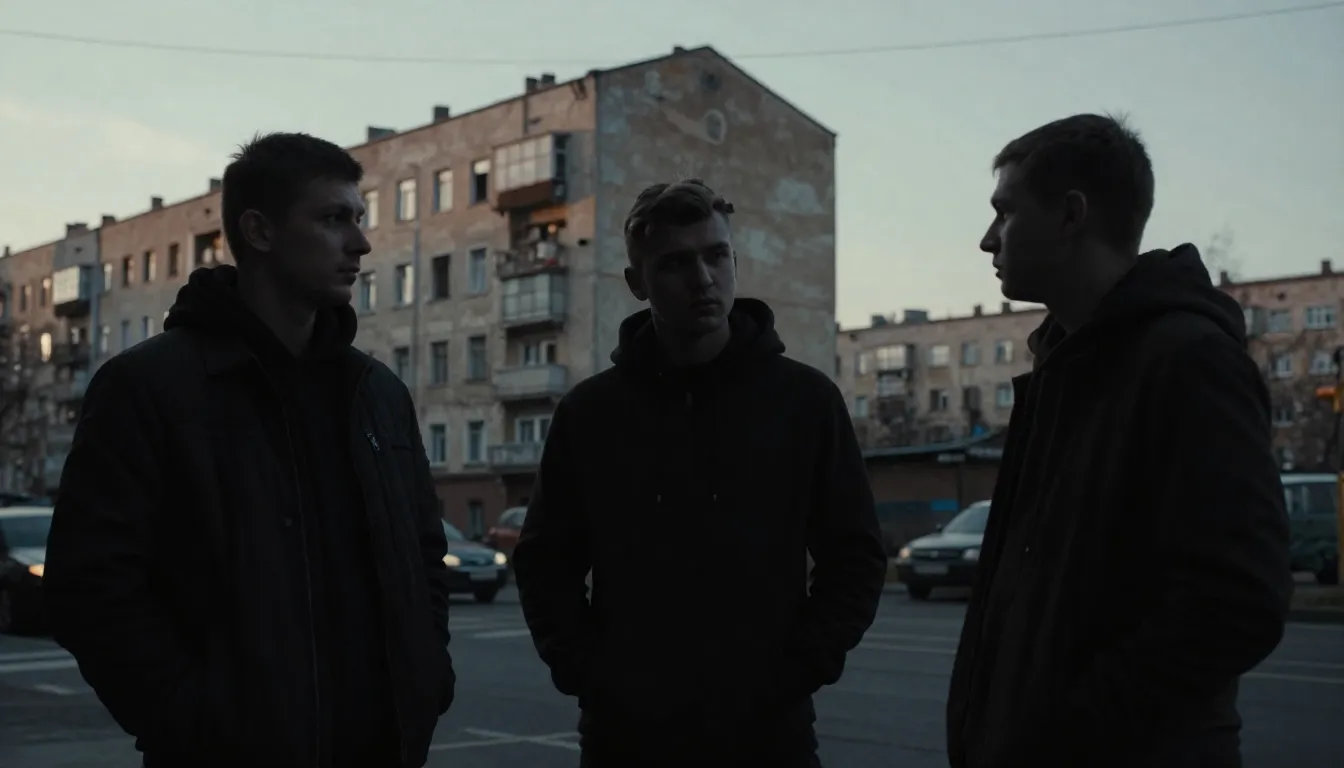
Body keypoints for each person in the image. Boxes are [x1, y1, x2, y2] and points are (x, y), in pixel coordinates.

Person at [43, 133, 455, 768]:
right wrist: (193, 722)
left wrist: (427, 676)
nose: (361, 243)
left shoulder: (375, 392)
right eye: (333, 218)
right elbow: (90, 586)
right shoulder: (150, 388)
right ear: (259, 231)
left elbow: (423, 553)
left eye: (359, 217)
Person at [946, 114, 1293, 767]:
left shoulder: (1188, 361)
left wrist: (1068, 733)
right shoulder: (1060, 370)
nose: (987, 240)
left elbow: (1236, 601)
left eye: (1006, 213)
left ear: (1070, 215)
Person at [512, 179, 887, 768]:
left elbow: (856, 554)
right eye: (675, 263)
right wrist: (590, 673)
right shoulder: (591, 413)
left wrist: (799, 667)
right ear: (637, 283)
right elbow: (545, 562)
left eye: (716, 256)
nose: (703, 278)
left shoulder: (804, 401)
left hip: (769, 734)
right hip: (626, 737)